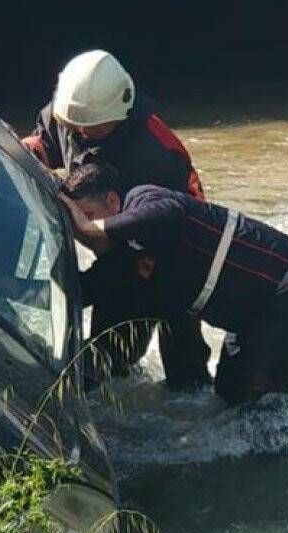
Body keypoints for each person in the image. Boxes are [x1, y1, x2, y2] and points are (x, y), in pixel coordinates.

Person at [59, 164, 288, 406]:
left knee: (259, 406)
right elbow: (84, 290)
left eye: (88, 215)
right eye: (79, 224)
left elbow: (169, 214)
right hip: (254, 313)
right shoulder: (124, 252)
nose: (85, 230)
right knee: (231, 394)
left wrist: (92, 228)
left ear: (112, 200)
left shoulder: (145, 198)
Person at [20, 50, 210, 390]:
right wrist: (25, 154)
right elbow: (45, 144)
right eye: (73, 125)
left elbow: (143, 252)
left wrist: (83, 289)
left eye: (90, 127)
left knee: (182, 363)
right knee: (103, 353)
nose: (79, 132)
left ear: (119, 114)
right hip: (115, 237)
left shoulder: (156, 157)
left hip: (172, 252)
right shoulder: (71, 112)